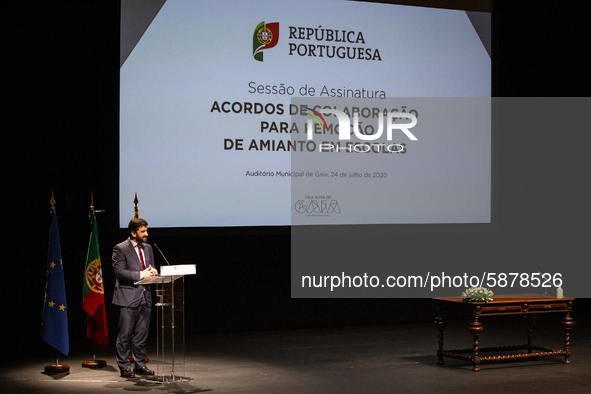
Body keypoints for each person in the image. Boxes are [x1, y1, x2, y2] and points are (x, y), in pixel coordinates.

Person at [112, 217, 158, 378]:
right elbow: (119, 272)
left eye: (146, 231)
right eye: (143, 231)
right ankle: (124, 366)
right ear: (133, 233)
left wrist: (153, 273)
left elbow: (150, 268)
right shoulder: (120, 248)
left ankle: (140, 365)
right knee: (125, 334)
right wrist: (141, 274)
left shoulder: (148, 248)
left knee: (141, 335)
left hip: (145, 296)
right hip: (128, 297)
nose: (146, 234)